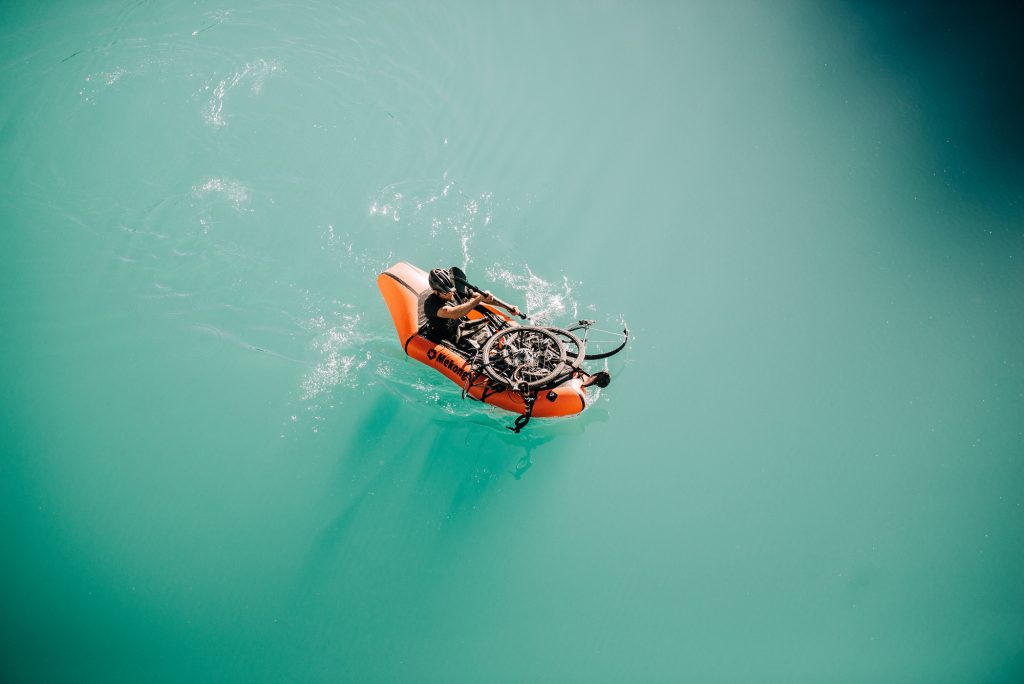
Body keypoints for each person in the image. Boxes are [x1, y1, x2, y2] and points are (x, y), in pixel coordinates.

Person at [422, 267, 522, 347]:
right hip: (452, 335)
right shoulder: (431, 305)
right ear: (435, 292)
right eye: (447, 293)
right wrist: (478, 299)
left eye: (452, 290)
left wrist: (508, 307)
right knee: (485, 346)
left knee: (490, 332)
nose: (451, 294)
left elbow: (485, 298)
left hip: (466, 325)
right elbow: (455, 313)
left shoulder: (454, 289)